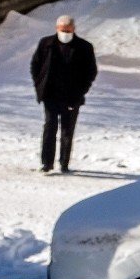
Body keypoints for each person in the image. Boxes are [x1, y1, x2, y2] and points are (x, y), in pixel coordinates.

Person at [30, 15, 97, 174]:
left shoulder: (84, 47)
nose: (65, 33)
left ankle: (64, 162)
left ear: (73, 29)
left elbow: (91, 71)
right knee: (49, 127)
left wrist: (82, 90)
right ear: (56, 29)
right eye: (62, 30)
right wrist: (40, 84)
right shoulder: (46, 44)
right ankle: (47, 163)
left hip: (72, 96)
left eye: (68, 30)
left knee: (67, 131)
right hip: (51, 95)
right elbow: (36, 65)